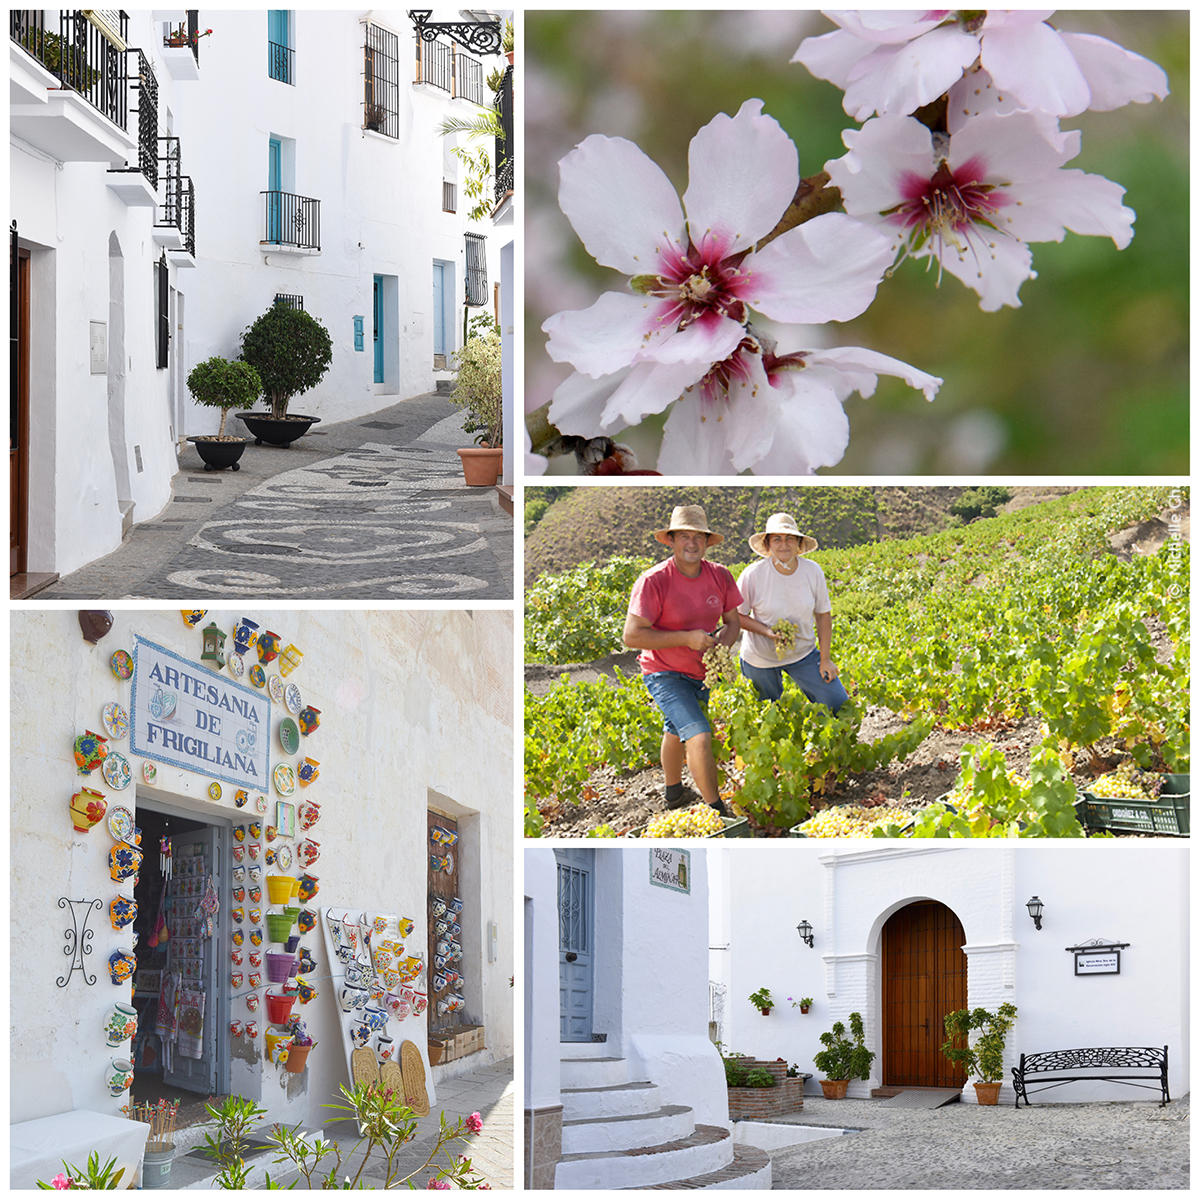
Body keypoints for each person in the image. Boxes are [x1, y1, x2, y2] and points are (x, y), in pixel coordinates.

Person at [623, 505, 742, 810]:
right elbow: (632, 636)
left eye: (698, 537)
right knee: (699, 734)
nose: (692, 543)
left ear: (706, 541)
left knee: (674, 730)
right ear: (672, 541)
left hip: (700, 672)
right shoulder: (654, 581)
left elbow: (733, 623)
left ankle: (674, 793)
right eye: (684, 536)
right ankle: (718, 811)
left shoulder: (720, 575)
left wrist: (721, 646)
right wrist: (687, 638)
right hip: (663, 672)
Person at [736, 513, 848, 712]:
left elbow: (823, 614)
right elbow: (737, 616)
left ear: (798, 542)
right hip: (760, 658)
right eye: (777, 539)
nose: (784, 544)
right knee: (767, 716)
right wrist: (767, 632)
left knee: (840, 705)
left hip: (803, 653)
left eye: (789, 538)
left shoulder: (812, 571)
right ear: (768, 544)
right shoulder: (753, 575)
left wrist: (825, 659)